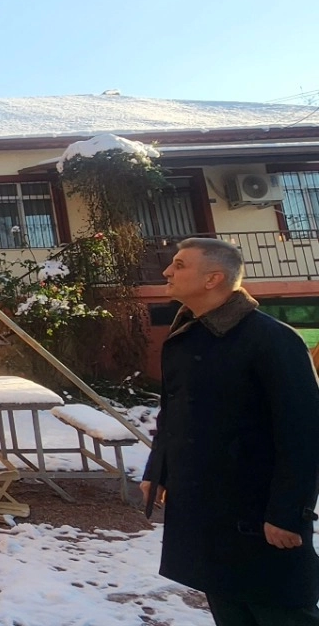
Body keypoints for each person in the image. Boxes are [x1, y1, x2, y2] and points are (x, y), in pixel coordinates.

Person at [142, 237, 319, 625]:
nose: (167, 272)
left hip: (259, 513)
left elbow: (304, 433)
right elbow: (172, 410)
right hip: (207, 509)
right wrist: (158, 470)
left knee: (281, 611)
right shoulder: (187, 335)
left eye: (179, 265)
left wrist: (289, 513)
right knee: (228, 607)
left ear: (213, 278)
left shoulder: (272, 339)